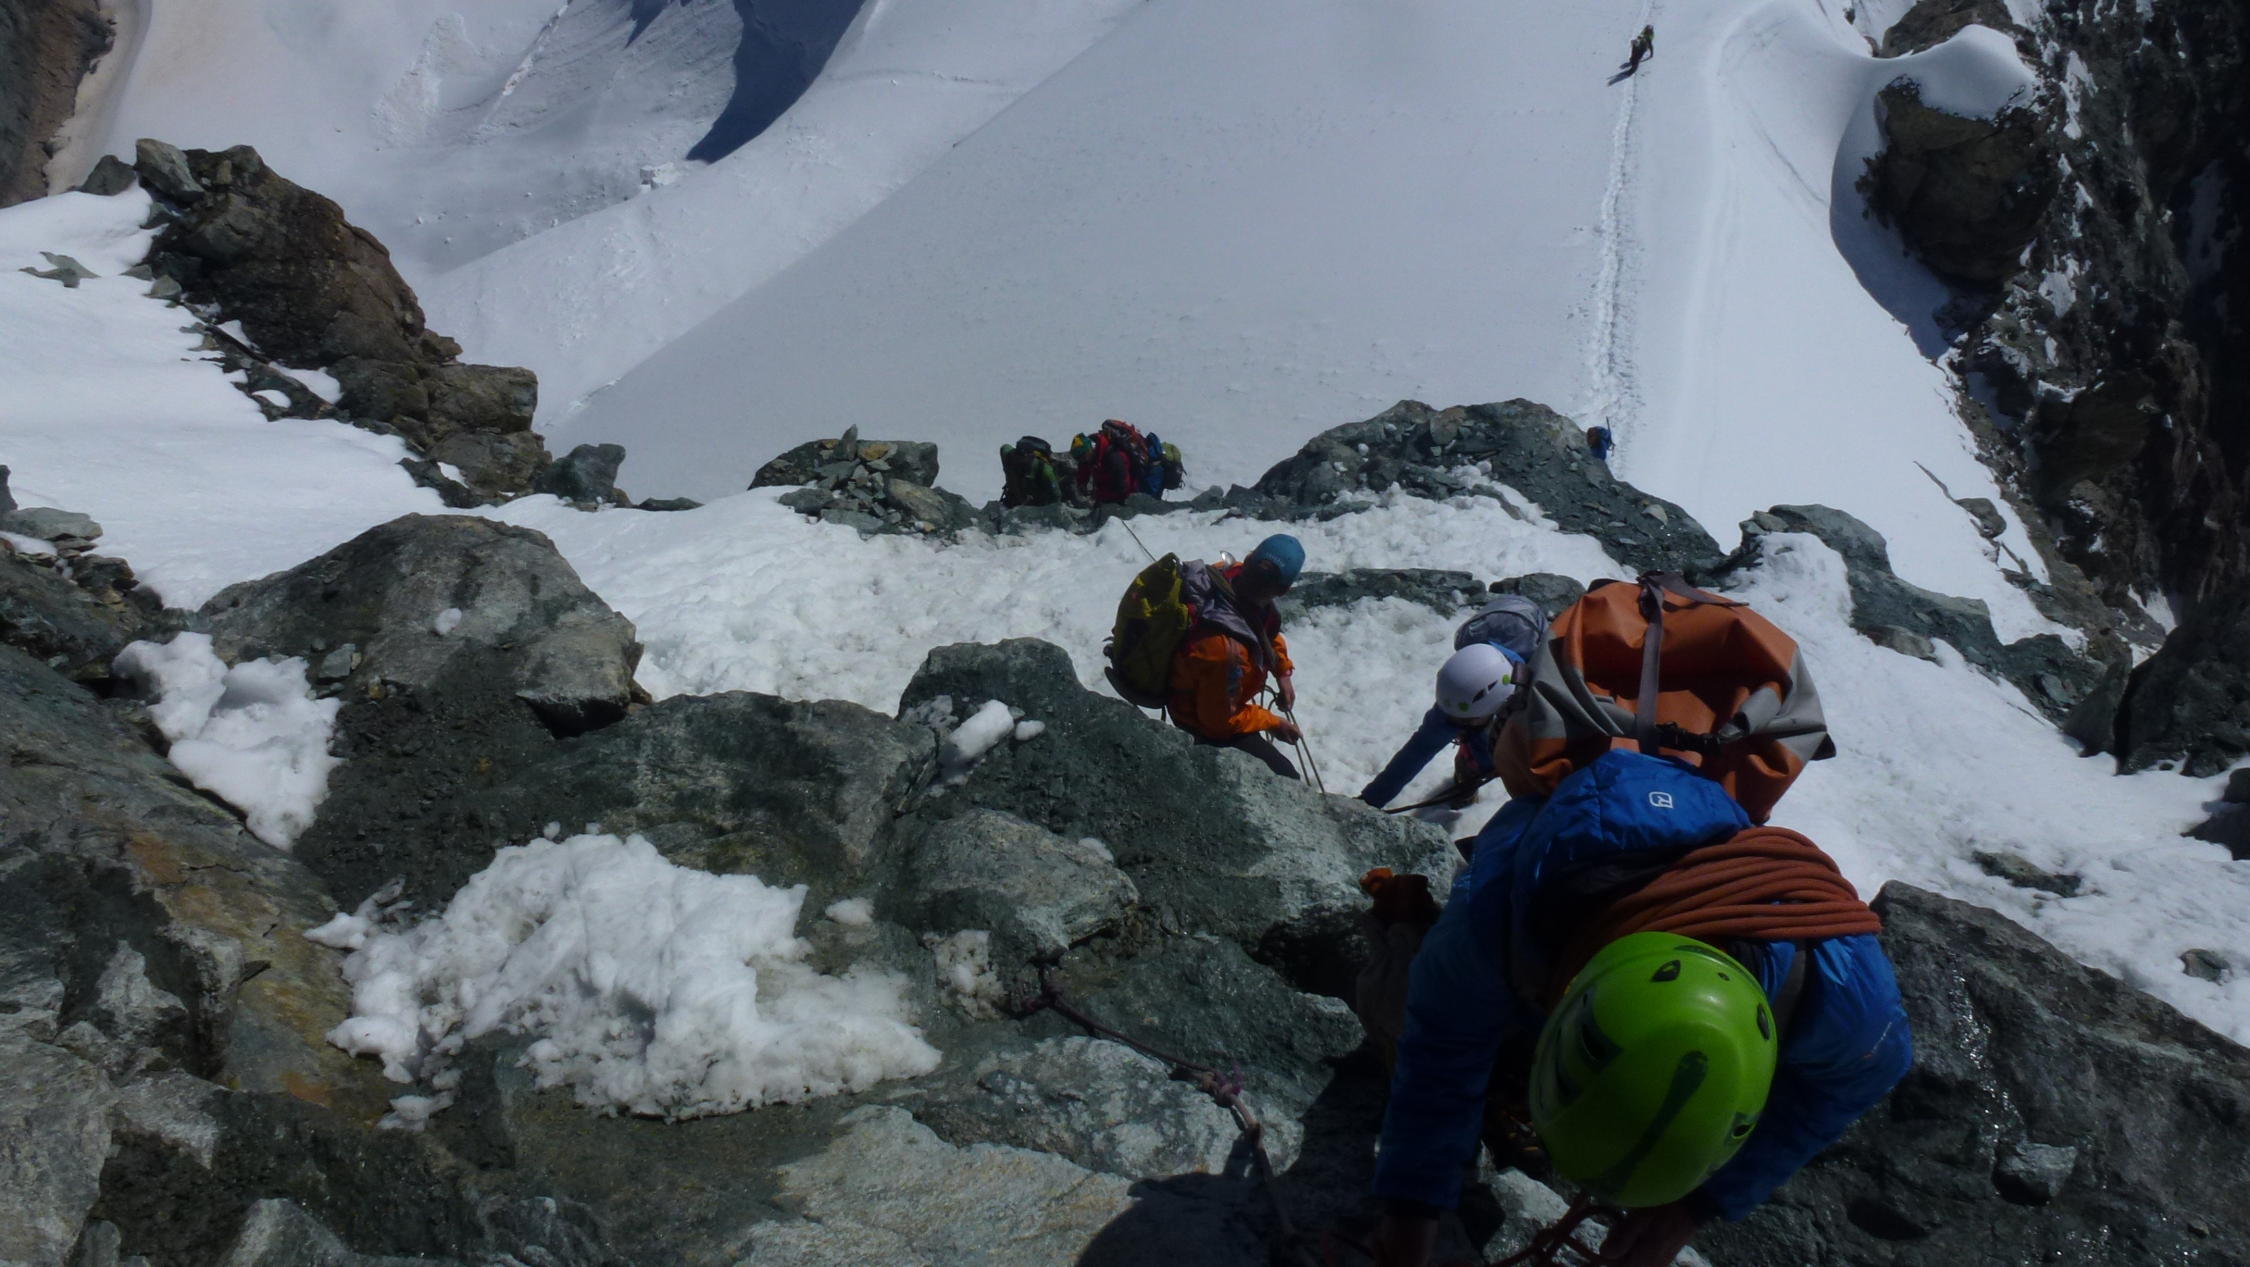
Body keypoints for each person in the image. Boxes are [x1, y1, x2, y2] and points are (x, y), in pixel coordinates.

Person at [1363, 748, 1912, 1266]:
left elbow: (1870, 1072)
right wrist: (1412, 1206)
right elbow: (1439, 1047)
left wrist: (1697, 1207)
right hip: (1555, 877)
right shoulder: (1493, 923)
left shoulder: (1837, 991)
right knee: (1397, 994)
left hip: (1611, 903)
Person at [1166, 534, 1305, 778]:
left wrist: (1282, 670)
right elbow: (1218, 724)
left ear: (1248, 560)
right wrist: (1271, 722)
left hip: (1218, 697)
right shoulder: (1225, 652)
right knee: (1287, 777)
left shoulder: (1227, 575)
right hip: (1198, 721)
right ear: (1283, 590)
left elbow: (1263, 628)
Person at [1359, 643, 1517, 809]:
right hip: (1491, 729)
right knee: (1478, 746)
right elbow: (1416, 753)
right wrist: (1368, 803)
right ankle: (1470, 767)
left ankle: (1475, 767)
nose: (1453, 725)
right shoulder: (1458, 704)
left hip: (1520, 740)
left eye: (1465, 720)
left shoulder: (1530, 717)